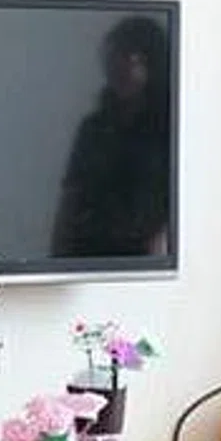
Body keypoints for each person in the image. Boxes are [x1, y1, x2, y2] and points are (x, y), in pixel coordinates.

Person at [50, 15, 173, 259]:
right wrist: (55, 262)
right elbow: (71, 200)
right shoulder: (93, 128)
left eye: (132, 58)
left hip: (144, 262)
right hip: (84, 257)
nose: (121, 68)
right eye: (114, 59)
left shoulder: (169, 130)